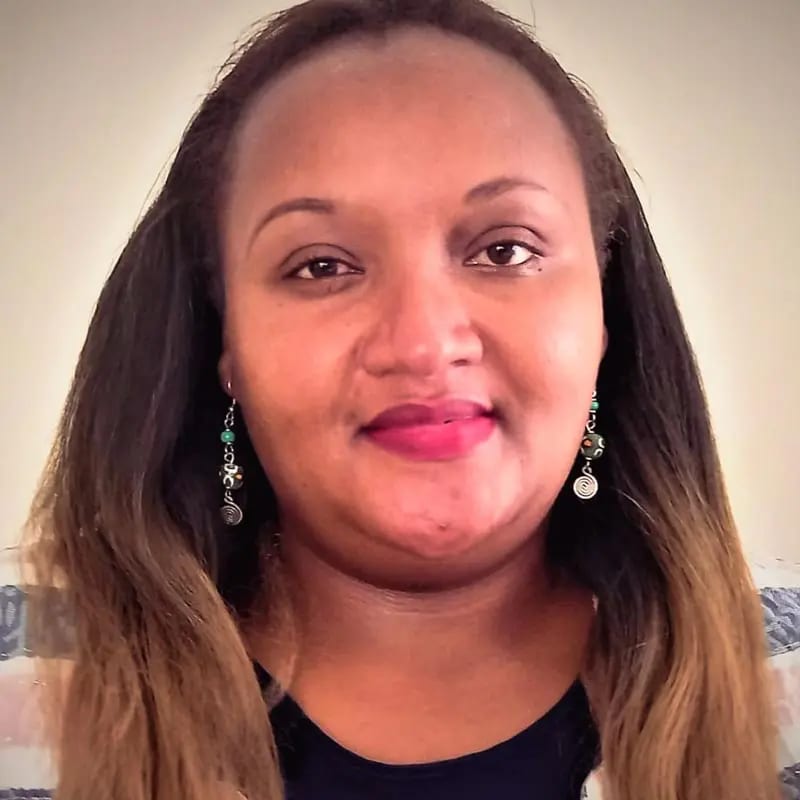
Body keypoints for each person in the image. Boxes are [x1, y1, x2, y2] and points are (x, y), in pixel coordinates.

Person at [24, 1, 781, 798]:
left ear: (605, 317)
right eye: (321, 266)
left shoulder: (783, 679)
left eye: (505, 249)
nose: (422, 344)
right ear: (227, 349)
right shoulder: (28, 676)